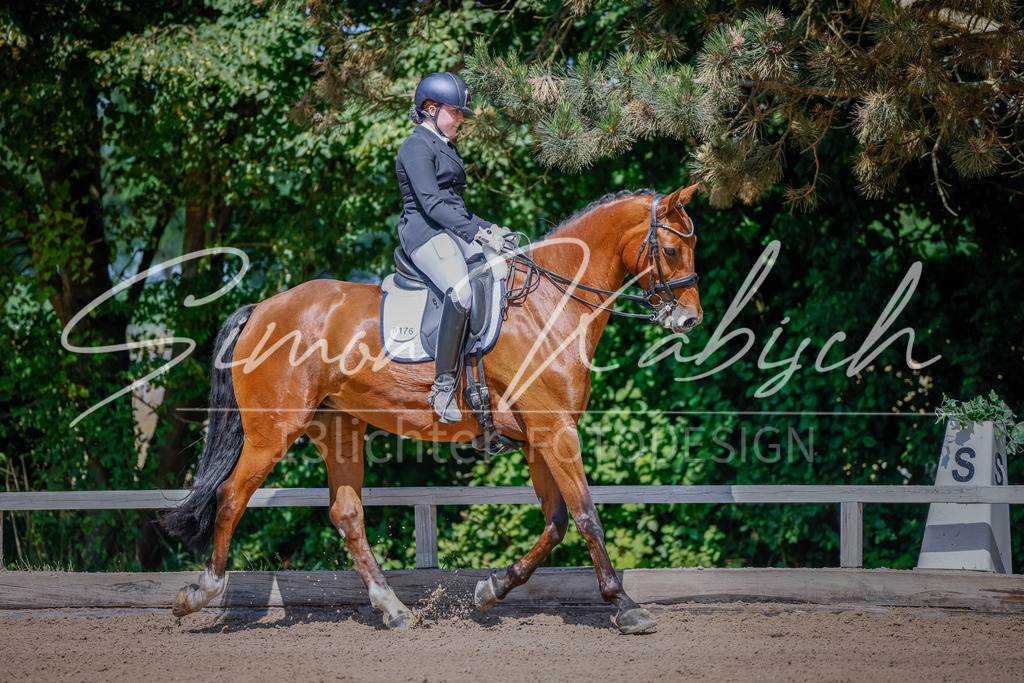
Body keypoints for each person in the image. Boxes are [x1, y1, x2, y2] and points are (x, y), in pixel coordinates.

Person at [395, 72, 510, 424]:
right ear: (431, 109)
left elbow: (456, 208)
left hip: (450, 227)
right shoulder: (415, 147)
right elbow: (431, 204)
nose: (462, 117)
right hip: (425, 233)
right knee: (460, 292)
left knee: (505, 269)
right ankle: (443, 385)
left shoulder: (445, 147)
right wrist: (476, 233)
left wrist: (491, 229)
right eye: (456, 111)